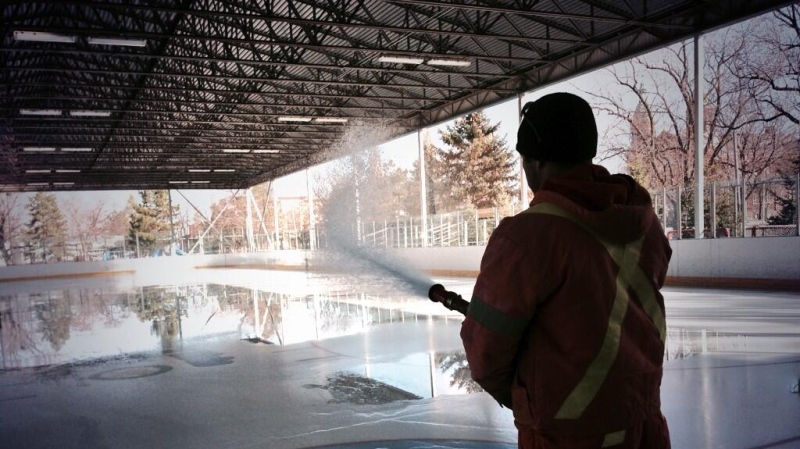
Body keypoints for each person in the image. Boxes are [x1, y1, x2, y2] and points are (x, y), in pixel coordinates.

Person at [460, 92, 672, 448]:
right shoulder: (643, 223)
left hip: (565, 437)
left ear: (537, 161)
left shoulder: (524, 238)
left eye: (524, 159)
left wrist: (528, 398)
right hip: (643, 427)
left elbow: (485, 354)